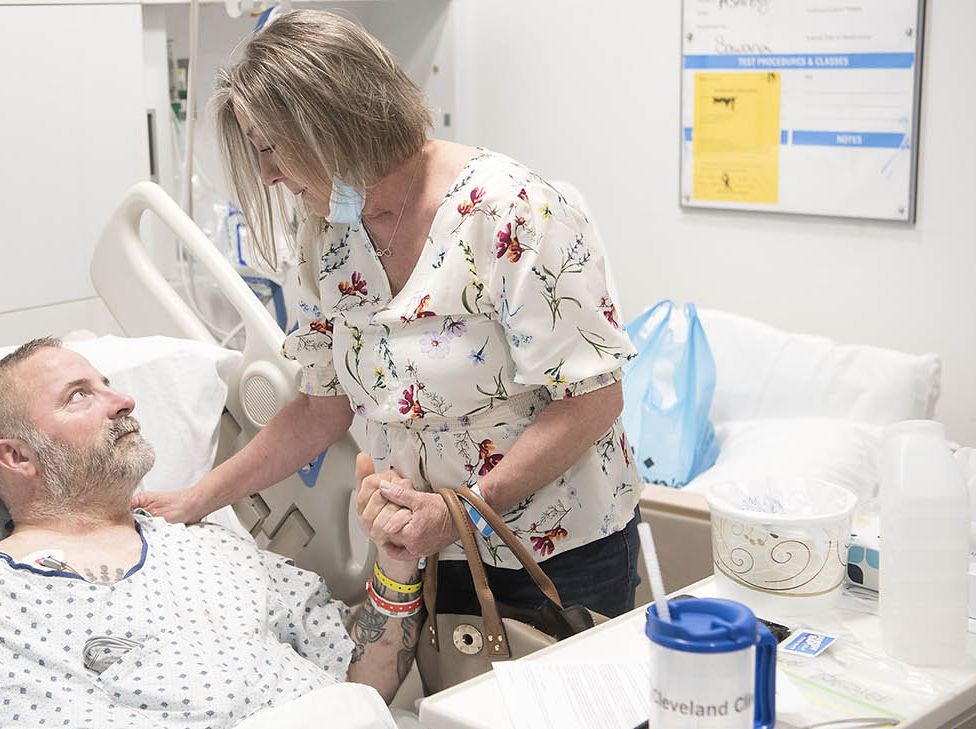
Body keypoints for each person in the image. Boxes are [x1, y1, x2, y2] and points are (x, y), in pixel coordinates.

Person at [134, 10, 644, 619]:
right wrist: (196, 499)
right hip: (423, 548)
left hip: (557, 549)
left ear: (337, 122)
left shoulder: (510, 211)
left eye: (274, 149)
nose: (268, 176)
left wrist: (463, 512)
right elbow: (322, 405)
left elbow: (592, 401)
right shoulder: (329, 228)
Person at [0, 338, 425, 728]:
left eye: (108, 386)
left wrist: (396, 563)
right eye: (79, 396)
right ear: (17, 456)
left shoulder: (212, 546)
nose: (123, 402)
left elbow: (363, 687)